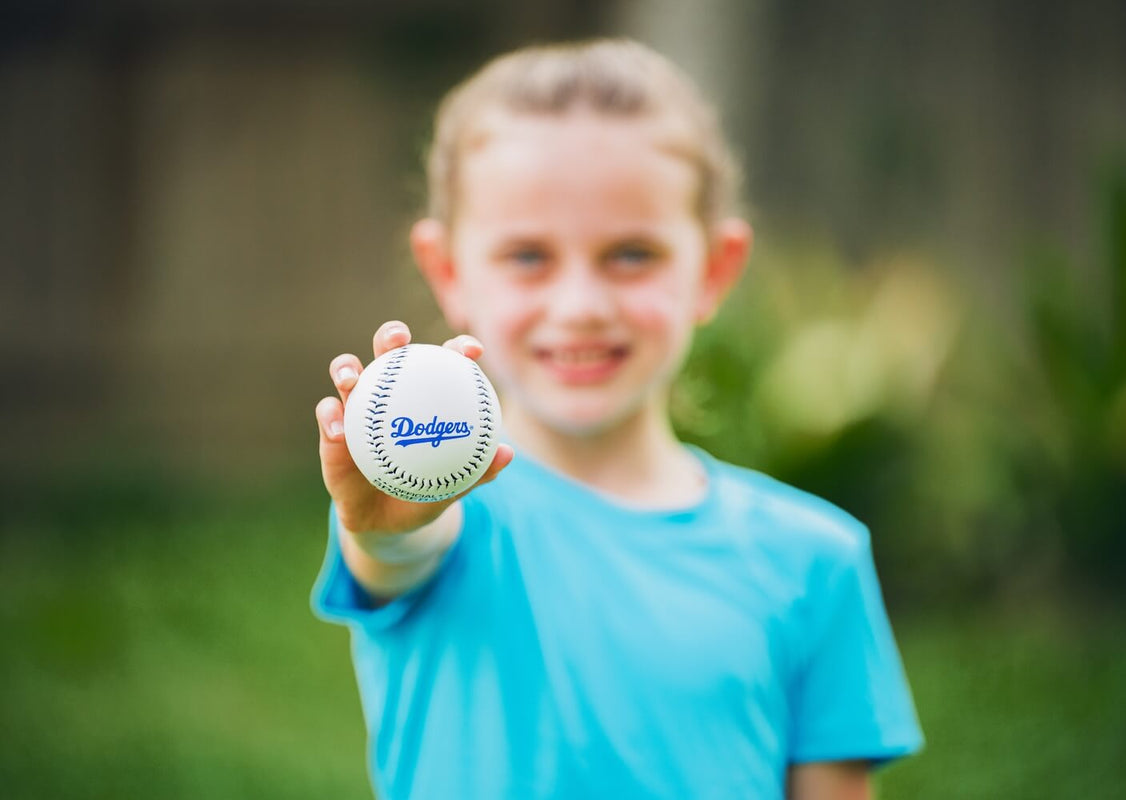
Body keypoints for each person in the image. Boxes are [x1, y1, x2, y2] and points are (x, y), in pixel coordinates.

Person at [312, 38, 922, 799]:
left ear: (714, 269)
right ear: (448, 271)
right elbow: (399, 545)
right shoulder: (453, 521)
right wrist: (387, 524)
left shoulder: (815, 562)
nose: (581, 307)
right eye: (528, 256)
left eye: (631, 254)